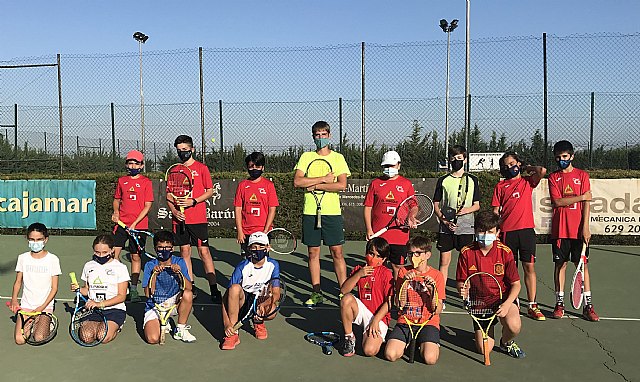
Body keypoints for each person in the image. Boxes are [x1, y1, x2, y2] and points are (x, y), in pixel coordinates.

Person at [293, 121, 351, 307]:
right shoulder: (306, 157)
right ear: (313, 137)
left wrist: (316, 185)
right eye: (317, 135)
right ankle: (316, 293)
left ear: (329, 135)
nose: (320, 138)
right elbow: (297, 182)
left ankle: (344, 292)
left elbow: (341, 185)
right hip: (310, 211)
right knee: (313, 253)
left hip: (331, 213)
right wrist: (324, 179)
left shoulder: (338, 158)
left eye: (323, 134)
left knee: (337, 253)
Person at [456, 210, 525, 359]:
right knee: (484, 350)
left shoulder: (505, 252)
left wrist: (507, 304)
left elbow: (516, 284)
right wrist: (462, 290)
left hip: (502, 299)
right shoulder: (466, 253)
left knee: (514, 326)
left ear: (498, 232)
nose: (485, 235)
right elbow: (461, 281)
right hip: (479, 303)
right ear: (475, 231)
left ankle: (506, 342)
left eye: (490, 231)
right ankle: (489, 327)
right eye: (481, 231)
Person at [492, 151, 547, 320]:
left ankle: (532, 305)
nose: (510, 168)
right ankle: (512, 301)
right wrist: (495, 230)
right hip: (507, 232)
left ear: (518, 164)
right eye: (506, 165)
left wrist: (525, 167)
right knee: (510, 270)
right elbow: (495, 211)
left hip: (526, 232)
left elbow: (542, 170)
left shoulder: (527, 182)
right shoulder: (500, 186)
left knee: (529, 267)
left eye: (513, 164)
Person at [167, 134, 222, 303]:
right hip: (180, 219)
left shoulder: (202, 168)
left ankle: (214, 289)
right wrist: (174, 212)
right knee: (185, 252)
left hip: (198, 219)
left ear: (192, 149)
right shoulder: (175, 170)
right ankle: (190, 286)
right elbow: (169, 195)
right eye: (179, 150)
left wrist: (194, 201)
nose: (182, 153)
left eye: (185, 149)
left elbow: (210, 190)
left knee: (204, 252)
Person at [548, 140, 599, 321]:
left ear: (572, 156)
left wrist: (585, 227)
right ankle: (559, 304)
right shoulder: (553, 178)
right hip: (560, 230)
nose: (561, 160)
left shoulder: (582, 176)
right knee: (560, 265)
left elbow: (587, 203)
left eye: (564, 157)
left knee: (582, 266)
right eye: (558, 157)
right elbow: (558, 202)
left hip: (579, 232)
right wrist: (581, 196)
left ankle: (588, 306)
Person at [379, 236, 444, 365]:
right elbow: (399, 304)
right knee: (390, 354)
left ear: (427, 255)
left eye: (418, 253)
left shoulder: (437, 275)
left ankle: (425, 341)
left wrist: (432, 291)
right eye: (411, 253)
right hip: (406, 320)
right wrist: (404, 282)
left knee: (430, 359)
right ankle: (407, 341)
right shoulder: (403, 271)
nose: (414, 256)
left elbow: (437, 310)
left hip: (428, 322)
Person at [433, 145, 480, 306]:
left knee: (467, 264)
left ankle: (467, 296)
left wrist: (467, 210)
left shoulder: (473, 180)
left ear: (465, 160)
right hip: (446, 228)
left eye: (459, 159)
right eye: (453, 159)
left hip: (466, 227)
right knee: (444, 262)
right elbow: (436, 204)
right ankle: (441, 297)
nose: (456, 162)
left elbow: (477, 205)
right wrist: (444, 221)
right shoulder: (443, 180)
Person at [221, 232, 282, 350]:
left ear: (267, 247)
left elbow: (276, 293)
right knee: (234, 288)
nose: (257, 249)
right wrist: (226, 323)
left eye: (261, 246)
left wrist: (262, 305)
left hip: (260, 299)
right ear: (249, 249)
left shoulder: (273, 265)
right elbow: (226, 298)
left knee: (272, 310)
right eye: (254, 247)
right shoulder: (242, 266)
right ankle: (233, 333)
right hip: (242, 301)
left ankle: (258, 322)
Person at [363, 150, 415, 279]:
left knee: (398, 268)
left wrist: (411, 216)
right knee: (376, 266)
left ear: (398, 165)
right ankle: (378, 297)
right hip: (378, 235)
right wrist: (369, 229)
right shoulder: (375, 183)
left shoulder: (406, 184)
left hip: (400, 235)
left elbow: (413, 205)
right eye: (386, 166)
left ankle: (397, 297)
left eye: (391, 166)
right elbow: (368, 207)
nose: (389, 169)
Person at [339, 237, 394, 357]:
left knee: (369, 350)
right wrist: (359, 275)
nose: (373, 258)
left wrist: (375, 320)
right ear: (366, 253)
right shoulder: (359, 270)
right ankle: (349, 337)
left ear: (383, 259)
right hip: (363, 311)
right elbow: (344, 290)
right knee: (346, 299)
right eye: (371, 253)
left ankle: (380, 337)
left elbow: (389, 302)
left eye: (378, 256)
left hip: (380, 317)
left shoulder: (386, 273)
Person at [111, 149, 154, 302]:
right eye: (130, 162)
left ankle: (134, 289)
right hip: (121, 225)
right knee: (113, 256)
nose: (133, 165)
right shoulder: (122, 181)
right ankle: (121, 285)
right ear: (126, 164)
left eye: (136, 163)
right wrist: (116, 212)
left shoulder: (146, 182)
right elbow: (117, 199)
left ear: (141, 165)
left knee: (136, 257)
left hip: (139, 226)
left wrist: (135, 224)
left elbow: (147, 206)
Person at [70, 234, 129, 344]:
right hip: (93, 309)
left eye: (104, 252)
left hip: (114, 309)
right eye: (97, 252)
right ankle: (99, 324)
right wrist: (78, 289)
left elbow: (122, 296)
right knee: (87, 338)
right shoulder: (89, 266)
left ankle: (115, 325)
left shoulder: (120, 268)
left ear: (112, 250)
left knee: (103, 337)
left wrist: (100, 304)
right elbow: (87, 290)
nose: (101, 255)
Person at [9, 223, 61, 345]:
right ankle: (33, 322)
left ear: (45, 240)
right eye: (32, 239)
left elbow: (54, 288)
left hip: (44, 307)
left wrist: (41, 308)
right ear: (27, 239)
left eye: (39, 239)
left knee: (39, 337)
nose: (35, 242)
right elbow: (18, 282)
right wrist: (14, 300)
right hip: (26, 306)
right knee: (20, 340)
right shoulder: (23, 258)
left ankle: (47, 323)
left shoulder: (53, 259)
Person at [141, 230, 196, 343]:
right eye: (160, 247)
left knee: (188, 294)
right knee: (152, 339)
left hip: (174, 303)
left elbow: (189, 287)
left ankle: (180, 329)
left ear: (172, 248)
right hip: (155, 306)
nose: (164, 250)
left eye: (167, 247)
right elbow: (147, 294)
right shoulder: (149, 265)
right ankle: (163, 322)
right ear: (155, 248)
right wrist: (154, 275)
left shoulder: (179, 262)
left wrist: (179, 273)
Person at [234, 152, 279, 256]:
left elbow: (272, 209)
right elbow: (238, 209)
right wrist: (240, 231)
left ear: (263, 168)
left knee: (262, 261)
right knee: (247, 262)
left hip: (263, 231)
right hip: (246, 232)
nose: (254, 169)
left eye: (257, 166)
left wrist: (265, 231)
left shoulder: (269, 185)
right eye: (251, 166)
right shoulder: (242, 185)